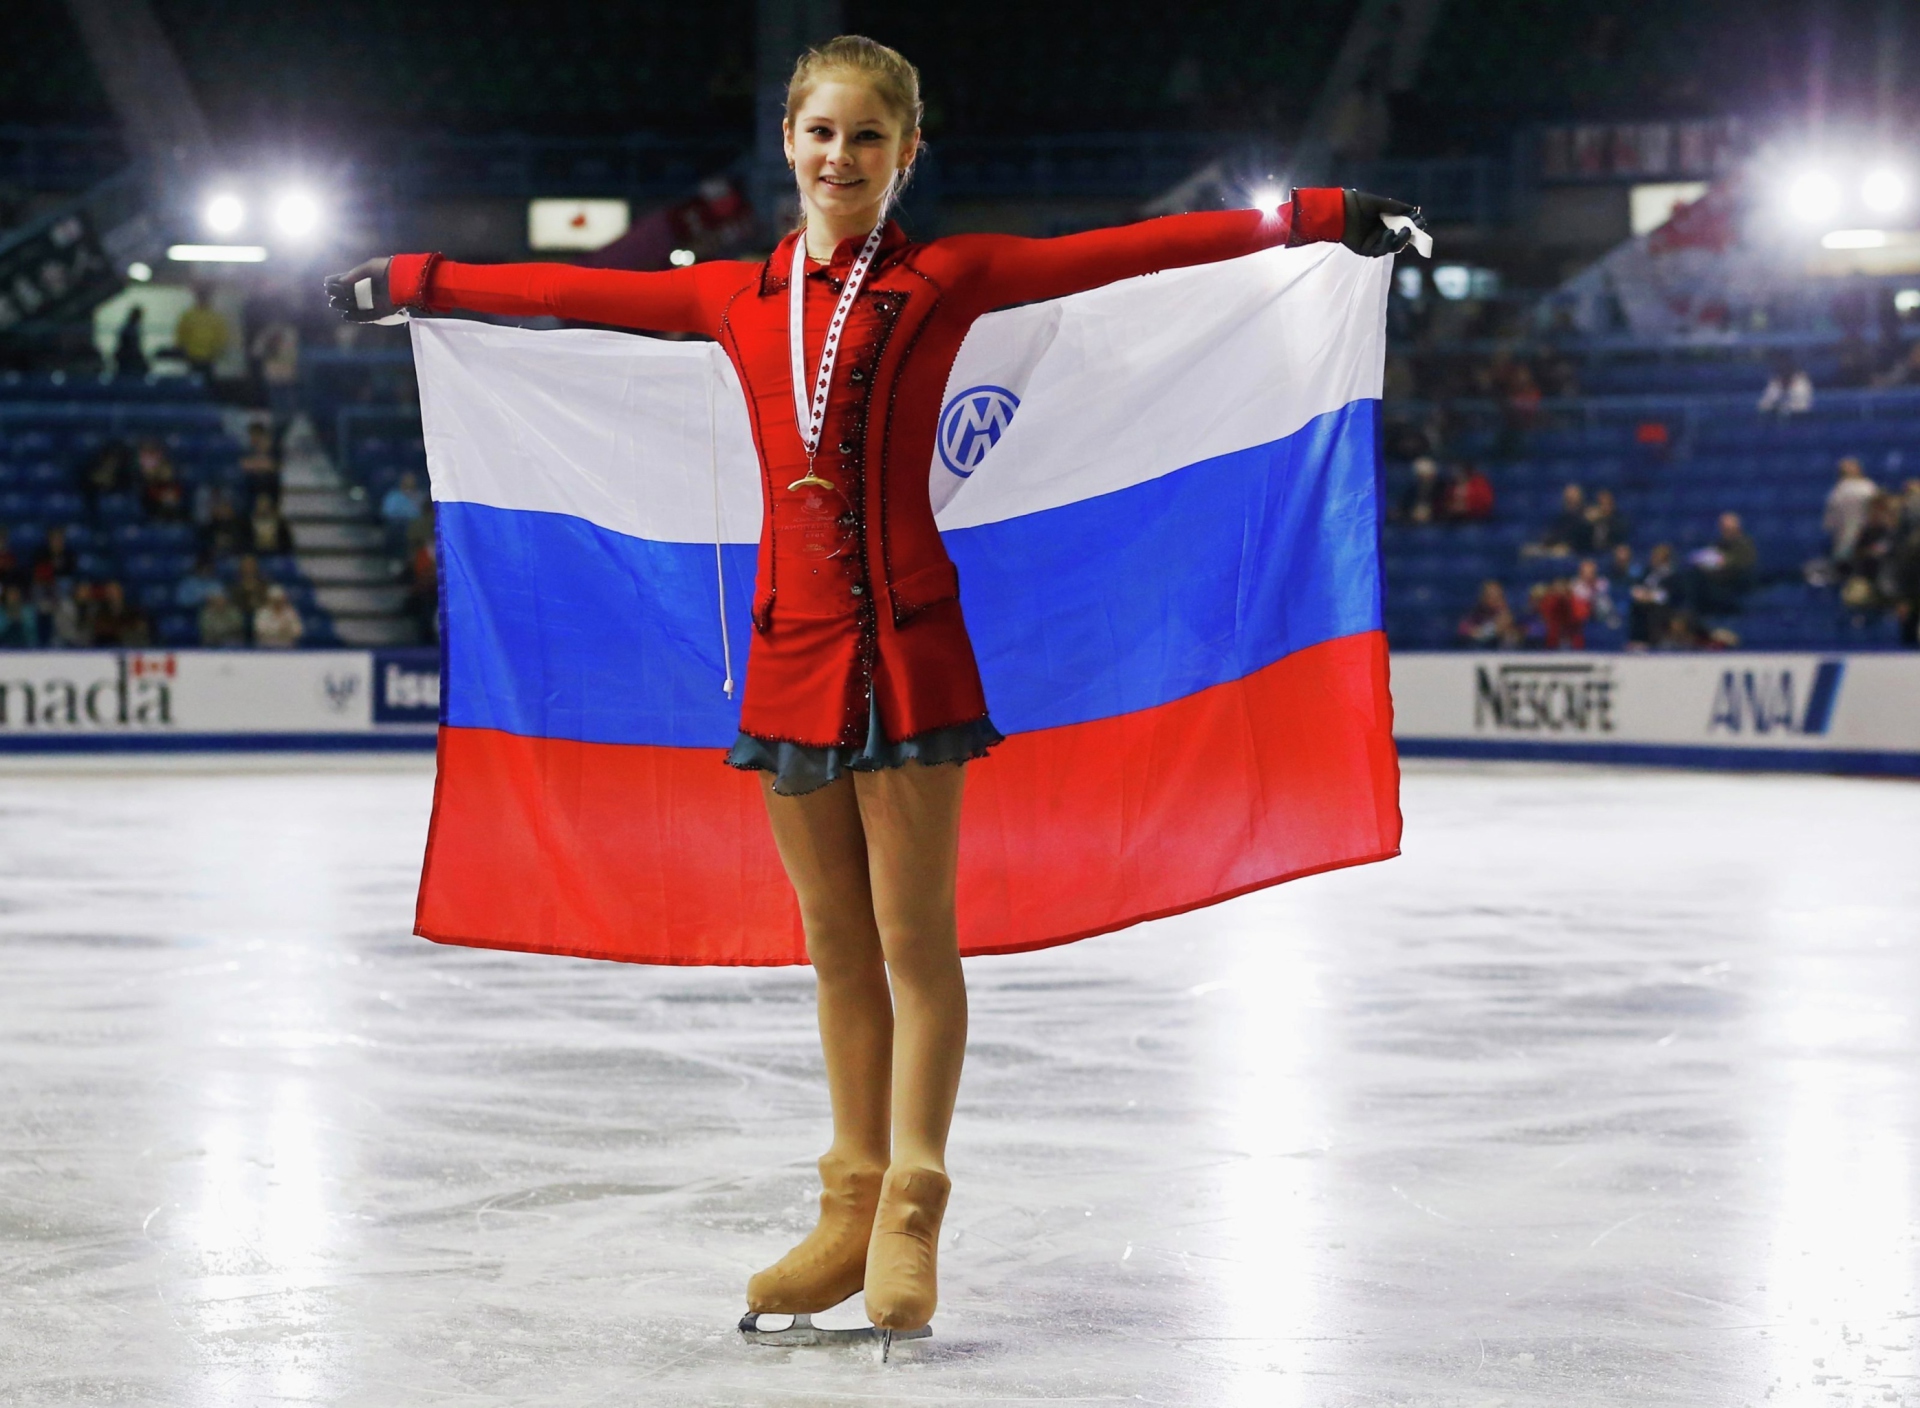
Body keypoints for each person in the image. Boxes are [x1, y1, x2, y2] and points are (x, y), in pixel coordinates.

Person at [325, 32, 1421, 1344]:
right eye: (821, 132)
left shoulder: (948, 278)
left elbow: (1125, 250)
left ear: (907, 156)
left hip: (907, 646)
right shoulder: (734, 296)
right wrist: (415, 280)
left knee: (915, 944)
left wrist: (1307, 220)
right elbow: (569, 291)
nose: (840, 158)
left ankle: (912, 1203)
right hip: (787, 657)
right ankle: (844, 1206)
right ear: (789, 139)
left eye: (867, 138)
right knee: (835, 946)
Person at [1823, 456, 1878, 568]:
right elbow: (1830, 523)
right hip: (1845, 542)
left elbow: (1876, 514)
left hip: (1865, 541)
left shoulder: (1868, 488)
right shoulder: (1837, 492)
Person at [175, 286, 231, 378]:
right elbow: (181, 334)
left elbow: (222, 336)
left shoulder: (214, 316)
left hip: (208, 356)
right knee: (194, 381)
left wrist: (217, 350)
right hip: (193, 355)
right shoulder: (189, 315)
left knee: (204, 381)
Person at [1456, 579, 1520, 648]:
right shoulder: (1474, 617)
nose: (1494, 600)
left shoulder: (1511, 619)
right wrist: (1491, 629)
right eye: (1490, 596)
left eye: (1497, 596)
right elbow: (1463, 630)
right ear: (1482, 598)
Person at [239, 422, 281, 505]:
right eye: (252, 435)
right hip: (252, 485)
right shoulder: (247, 451)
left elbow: (274, 466)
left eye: (257, 436)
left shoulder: (275, 451)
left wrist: (257, 464)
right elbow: (243, 465)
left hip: (270, 485)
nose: (255, 439)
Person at [252, 583, 304, 648]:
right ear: (269, 599)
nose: (277, 602)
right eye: (275, 600)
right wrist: (281, 630)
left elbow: (298, 631)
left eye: (279, 600)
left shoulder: (290, 612)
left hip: (288, 648)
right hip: (266, 648)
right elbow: (260, 631)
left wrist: (275, 631)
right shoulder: (262, 613)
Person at [114, 304, 148, 379]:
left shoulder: (130, 328)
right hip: (128, 356)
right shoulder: (129, 329)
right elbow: (132, 345)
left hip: (127, 355)